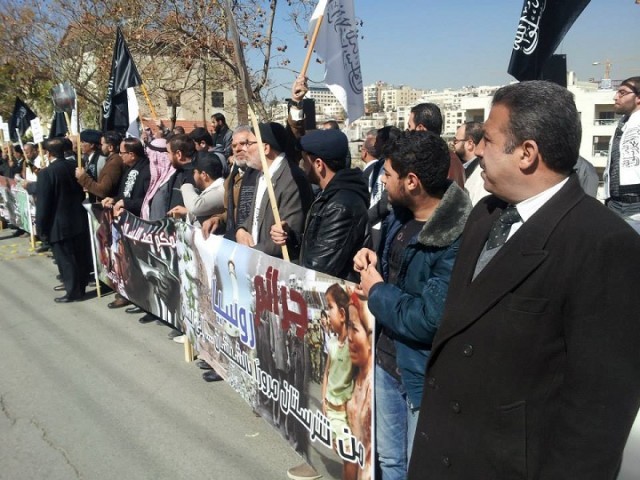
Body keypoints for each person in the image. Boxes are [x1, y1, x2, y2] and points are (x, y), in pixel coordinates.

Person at [408, 80, 640, 479]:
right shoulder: (485, 215)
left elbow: (596, 417)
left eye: (488, 140)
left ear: (527, 153)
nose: (477, 150)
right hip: (443, 454)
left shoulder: (604, 243)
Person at [354, 130, 471, 480]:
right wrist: (371, 258)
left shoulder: (455, 237)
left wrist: (377, 291)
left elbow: (429, 319)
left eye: (388, 174)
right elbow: (396, 273)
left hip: (419, 375)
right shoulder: (400, 216)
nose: (382, 180)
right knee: (389, 462)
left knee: (417, 466)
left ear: (412, 181)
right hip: (386, 361)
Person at [270, 128, 369, 282]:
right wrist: (290, 237)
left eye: (304, 160)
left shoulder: (341, 205)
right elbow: (318, 244)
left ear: (318, 164)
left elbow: (319, 269)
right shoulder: (330, 195)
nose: (302, 166)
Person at [235, 122, 313, 260]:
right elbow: (256, 216)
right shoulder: (261, 174)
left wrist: (249, 253)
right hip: (257, 260)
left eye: (249, 143)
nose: (244, 149)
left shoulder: (292, 179)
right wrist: (241, 229)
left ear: (265, 148)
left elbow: (287, 238)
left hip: (276, 264)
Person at [35, 137, 91, 302]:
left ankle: (73, 291)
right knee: (79, 257)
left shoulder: (46, 173)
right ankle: (80, 287)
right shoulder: (74, 166)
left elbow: (44, 203)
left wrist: (41, 227)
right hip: (78, 219)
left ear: (48, 153)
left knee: (65, 259)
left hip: (58, 224)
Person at [321, 283, 356, 480]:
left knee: (349, 456)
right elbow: (326, 373)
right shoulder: (333, 344)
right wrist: (323, 400)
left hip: (345, 412)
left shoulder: (353, 345)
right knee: (339, 449)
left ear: (342, 314)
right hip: (331, 408)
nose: (327, 313)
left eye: (330, 307)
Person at [201, 126, 259, 239]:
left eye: (243, 144)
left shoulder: (261, 175)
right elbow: (233, 212)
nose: (237, 149)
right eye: (234, 146)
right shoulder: (233, 176)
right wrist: (218, 219)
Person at [603, 76, 640, 218]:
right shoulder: (623, 124)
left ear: (638, 98)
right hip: (614, 203)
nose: (615, 97)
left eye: (622, 93)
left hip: (635, 203)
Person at [346, 293, 373, 480]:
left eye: (355, 328)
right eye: (348, 326)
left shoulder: (374, 386)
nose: (349, 337)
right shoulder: (354, 377)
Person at [408, 103, 465, 189]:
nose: (408, 132)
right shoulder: (449, 157)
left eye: (409, 126)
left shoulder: (440, 162)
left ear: (420, 128)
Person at [167, 151, 225, 226]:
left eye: (194, 172)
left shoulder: (221, 190)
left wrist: (185, 185)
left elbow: (195, 207)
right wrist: (188, 212)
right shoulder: (215, 189)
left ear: (204, 175)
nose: (193, 176)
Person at [76, 131, 124, 202]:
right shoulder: (111, 160)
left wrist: (83, 177)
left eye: (102, 144)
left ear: (110, 147)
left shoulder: (113, 163)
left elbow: (103, 190)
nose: (100, 147)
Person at [452, 121, 489, 205]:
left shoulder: (481, 175)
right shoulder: (464, 168)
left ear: (470, 144)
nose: (453, 145)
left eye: (456, 141)